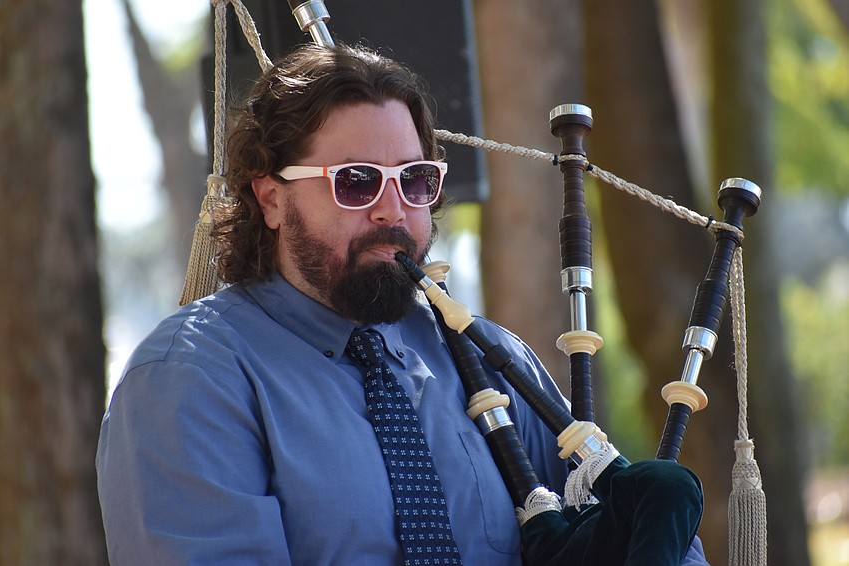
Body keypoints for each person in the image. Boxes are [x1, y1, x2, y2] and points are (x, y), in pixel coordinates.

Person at [96, 43, 709, 565]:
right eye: (357, 181)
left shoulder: (487, 357)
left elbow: (654, 535)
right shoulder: (189, 380)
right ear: (271, 198)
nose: (393, 210)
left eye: (415, 180)